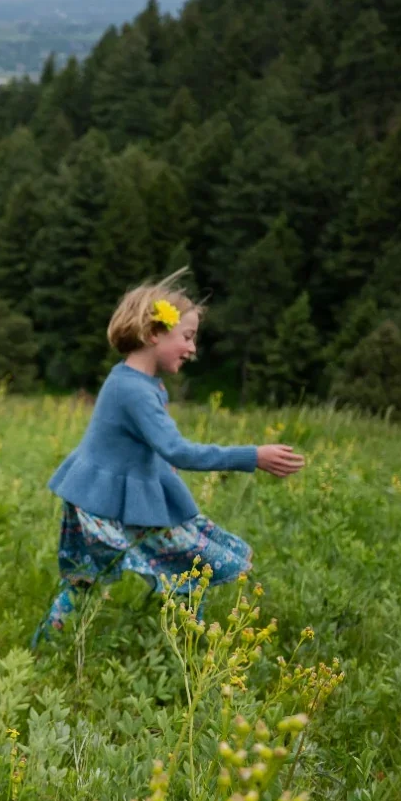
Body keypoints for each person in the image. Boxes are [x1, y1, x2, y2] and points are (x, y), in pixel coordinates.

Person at [32, 272, 304, 647]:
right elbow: (177, 449)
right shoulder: (134, 390)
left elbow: (140, 446)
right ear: (154, 333)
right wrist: (252, 455)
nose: (192, 348)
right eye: (187, 337)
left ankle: (169, 647)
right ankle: (185, 652)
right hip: (100, 504)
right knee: (188, 568)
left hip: (103, 499)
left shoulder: (137, 383)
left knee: (100, 579)